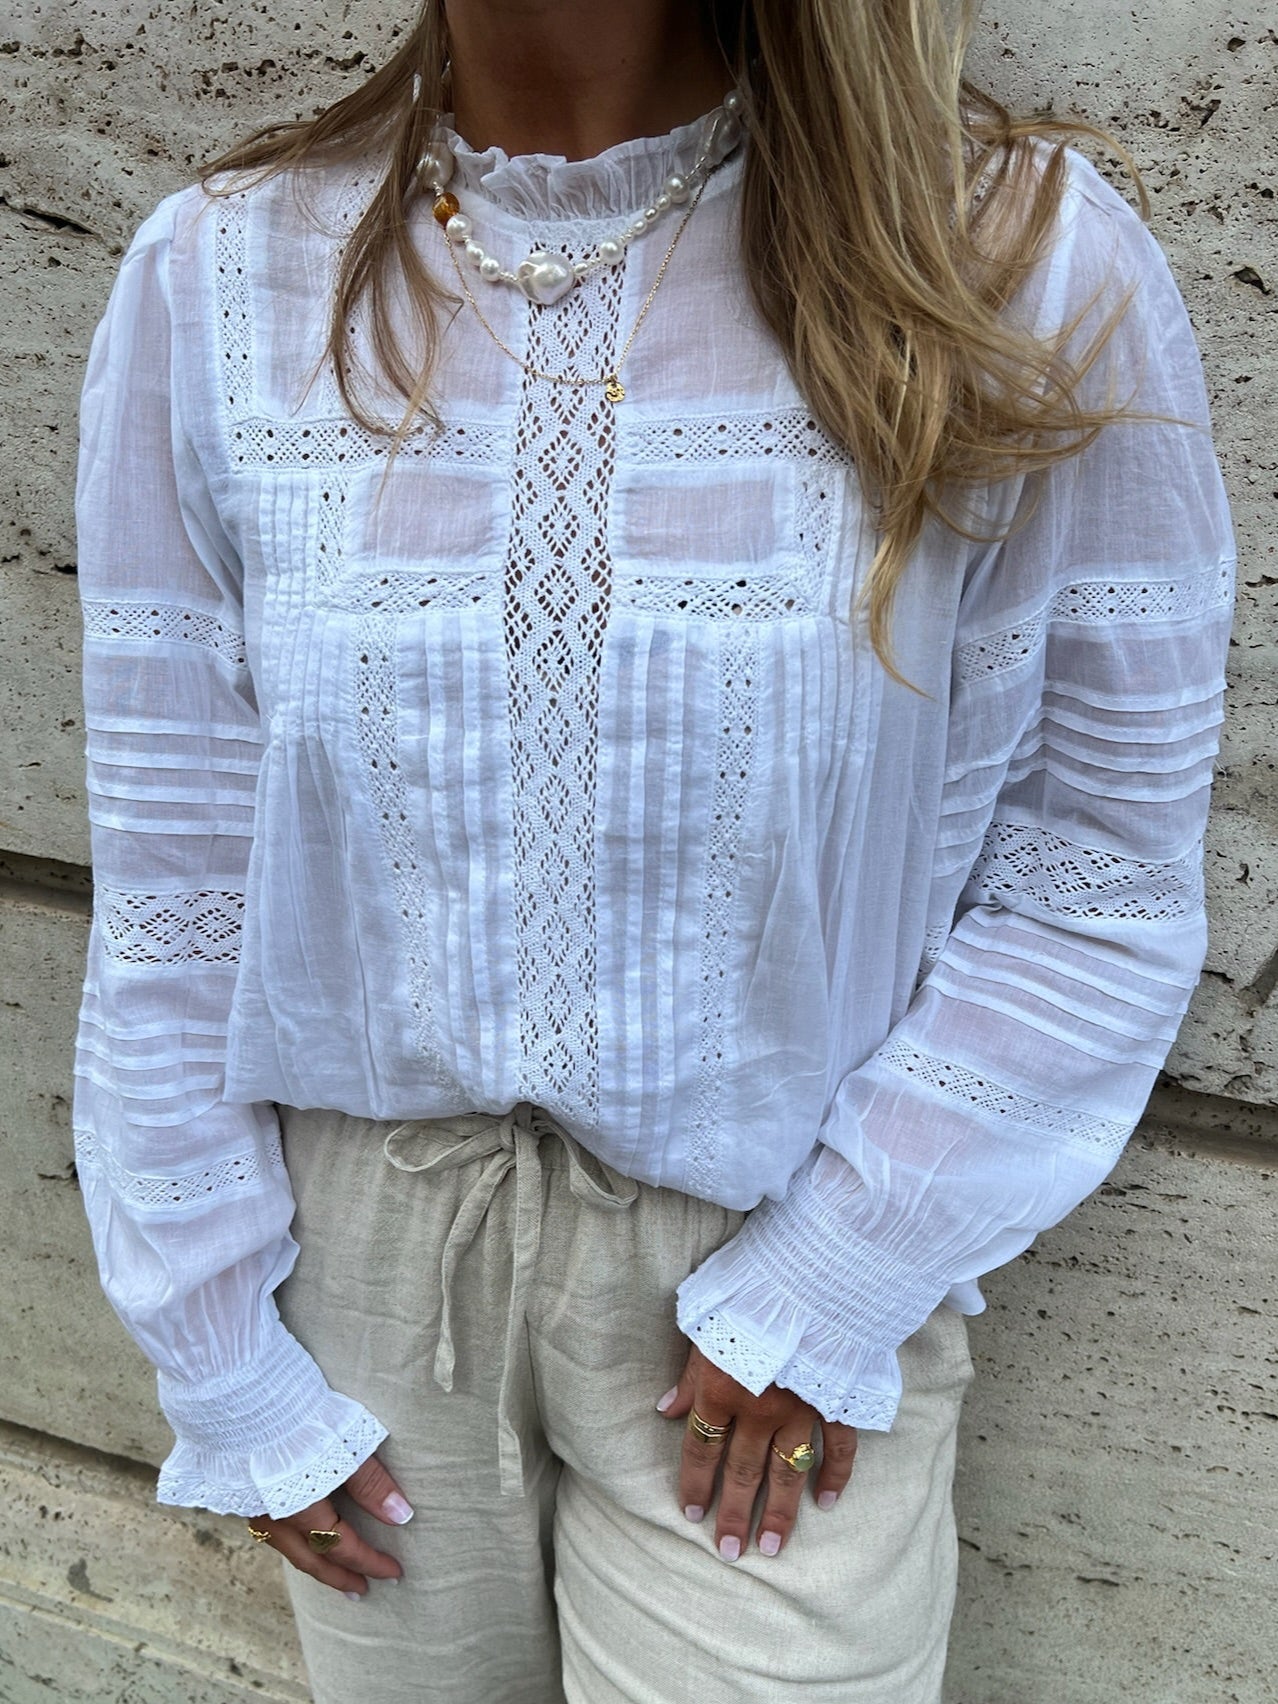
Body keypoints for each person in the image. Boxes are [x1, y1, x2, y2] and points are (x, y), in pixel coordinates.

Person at [70, 0, 1235, 1698]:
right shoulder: (221, 272)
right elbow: (179, 879)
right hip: (361, 1278)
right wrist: (214, 1341)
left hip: (770, 1257)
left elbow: (1094, 867)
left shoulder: (1010, 251)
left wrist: (840, 1273)